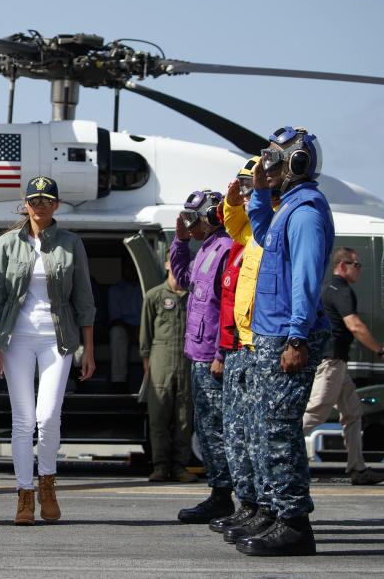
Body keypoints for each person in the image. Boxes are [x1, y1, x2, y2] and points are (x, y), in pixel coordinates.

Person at [236, 126, 334, 557]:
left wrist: (297, 336)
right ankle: (275, 512)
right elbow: (261, 235)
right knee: (263, 426)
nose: (267, 168)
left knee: (279, 430)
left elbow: (306, 280)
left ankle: (295, 524)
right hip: (270, 335)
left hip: (288, 338)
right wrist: (256, 193)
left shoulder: (308, 211)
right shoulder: (286, 209)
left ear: (297, 164)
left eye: (275, 161)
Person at [0, 176, 96, 526]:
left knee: (47, 417)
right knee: (22, 420)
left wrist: (88, 350)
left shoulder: (71, 243)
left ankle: (47, 484)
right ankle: (24, 494)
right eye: (35, 199)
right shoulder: (6, 243)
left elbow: (84, 300)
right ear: (26, 202)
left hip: (57, 338)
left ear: (57, 205)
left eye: (47, 199)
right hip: (15, 338)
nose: (41, 205)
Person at [213, 156, 274, 544]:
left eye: (251, 184)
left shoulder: (271, 226)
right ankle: (250, 505)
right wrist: (233, 200)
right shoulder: (249, 231)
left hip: (259, 342)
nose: (247, 191)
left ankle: (269, 509)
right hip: (241, 344)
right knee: (242, 434)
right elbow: (235, 226)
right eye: (243, 184)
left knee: (262, 435)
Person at [170, 188, 234, 524]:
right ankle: (219, 492)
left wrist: (222, 352)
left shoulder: (224, 248)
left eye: (193, 219)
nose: (189, 225)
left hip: (212, 355)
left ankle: (225, 497)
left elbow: (228, 306)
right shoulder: (206, 248)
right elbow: (181, 281)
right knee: (206, 427)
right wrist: (179, 243)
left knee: (217, 427)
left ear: (211, 217)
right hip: (198, 352)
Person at [303, 247, 384, 485]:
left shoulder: (328, 288)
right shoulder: (342, 290)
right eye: (356, 265)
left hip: (336, 363)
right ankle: (277, 456)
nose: (359, 269)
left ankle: (357, 468)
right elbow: (355, 325)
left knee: (352, 412)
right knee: (315, 411)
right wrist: (379, 349)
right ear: (342, 265)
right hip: (331, 363)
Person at [139, 253, 195, 483]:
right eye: (174, 260)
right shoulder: (154, 296)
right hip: (160, 359)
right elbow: (146, 335)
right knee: (158, 416)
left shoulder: (193, 296)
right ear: (166, 264)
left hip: (186, 360)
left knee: (184, 417)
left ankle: (180, 466)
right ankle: (160, 466)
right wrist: (148, 367)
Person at [108, 260, 143, 392]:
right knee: (116, 332)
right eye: (129, 268)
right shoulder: (115, 290)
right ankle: (119, 382)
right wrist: (131, 331)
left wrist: (141, 329)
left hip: (143, 327)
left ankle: (152, 380)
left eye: (134, 267)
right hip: (125, 328)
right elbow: (115, 318)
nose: (132, 271)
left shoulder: (146, 287)